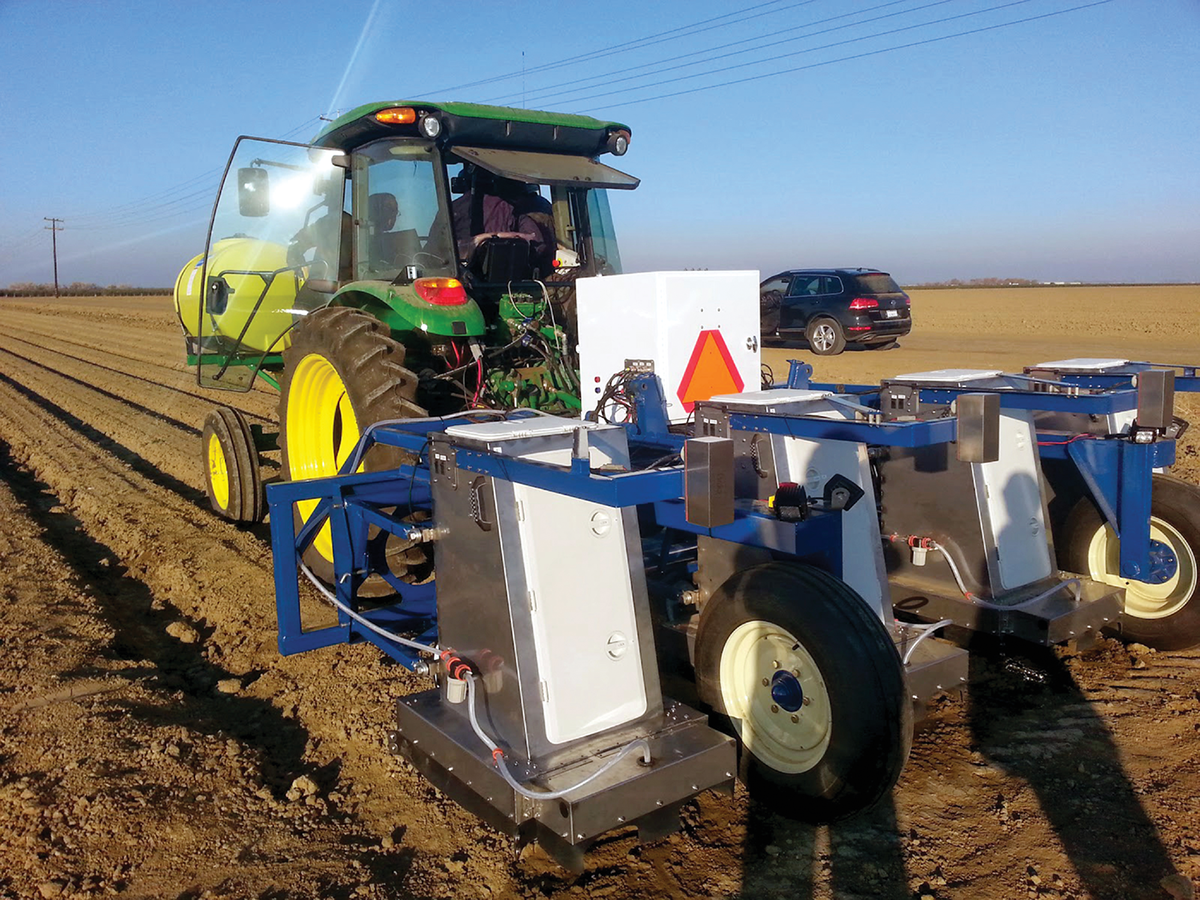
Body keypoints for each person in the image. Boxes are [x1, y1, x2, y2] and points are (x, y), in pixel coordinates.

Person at [451, 166, 556, 278]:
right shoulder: (516, 208)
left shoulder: (452, 208)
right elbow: (538, 245)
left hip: (466, 281)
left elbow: (436, 251)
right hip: (513, 281)